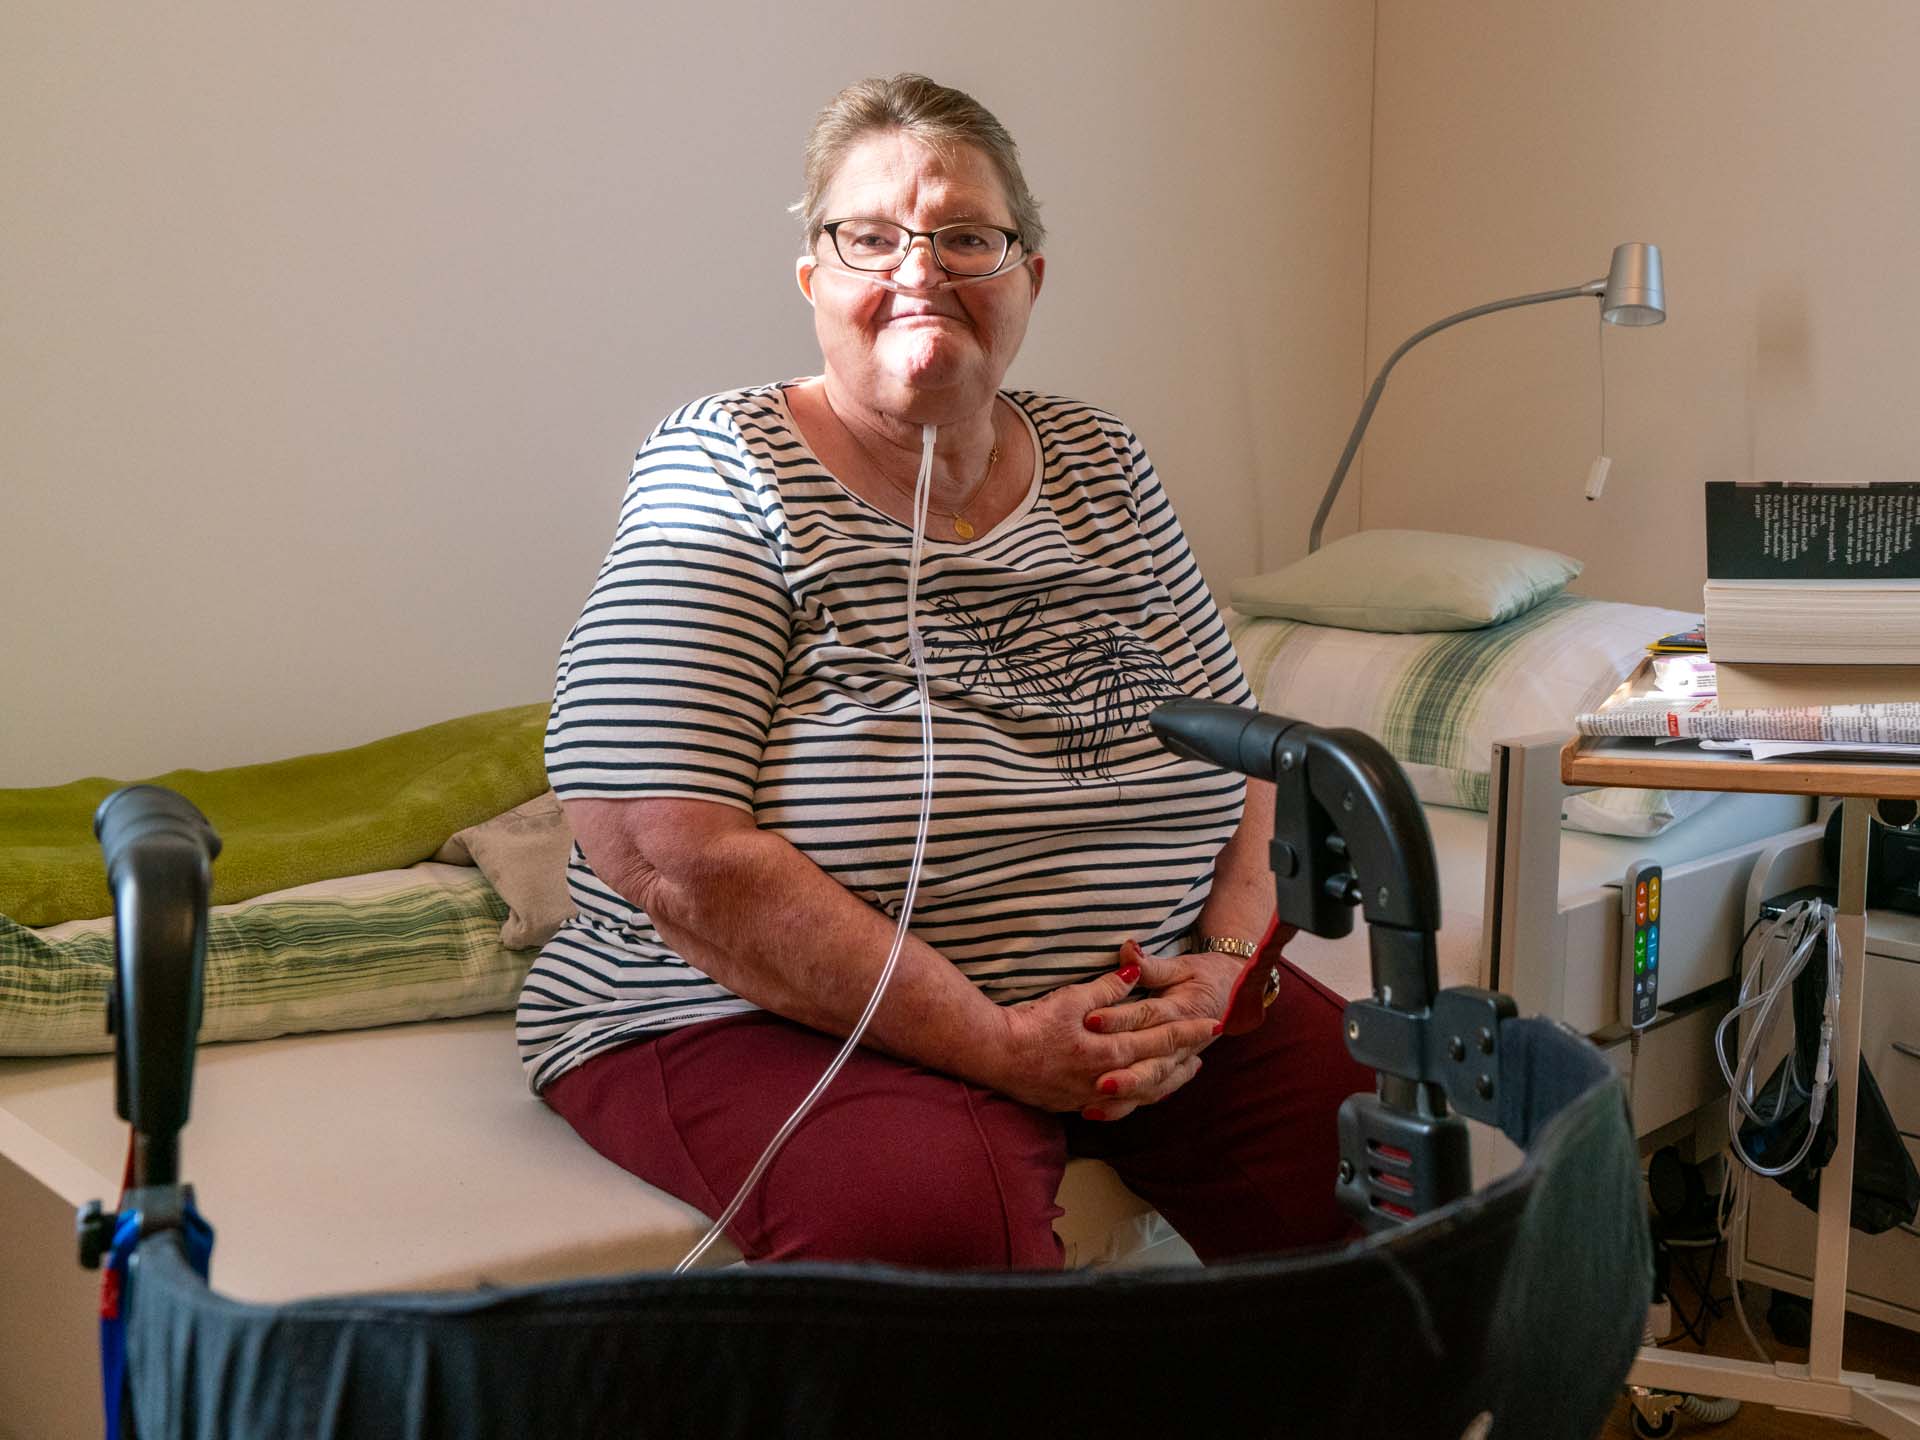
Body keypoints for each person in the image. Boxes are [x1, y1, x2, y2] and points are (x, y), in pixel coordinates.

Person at [516, 73, 1371, 1268]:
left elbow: (1250, 758)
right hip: (767, 1014)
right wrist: (996, 1045)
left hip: (1139, 986)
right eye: (871, 238)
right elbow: (660, 843)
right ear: (813, 278)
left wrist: (1220, 972)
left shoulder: (1102, 460)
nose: (921, 270)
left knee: (1375, 1139)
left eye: (968, 237)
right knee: (934, 1225)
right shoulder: (726, 467)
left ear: (1029, 275)